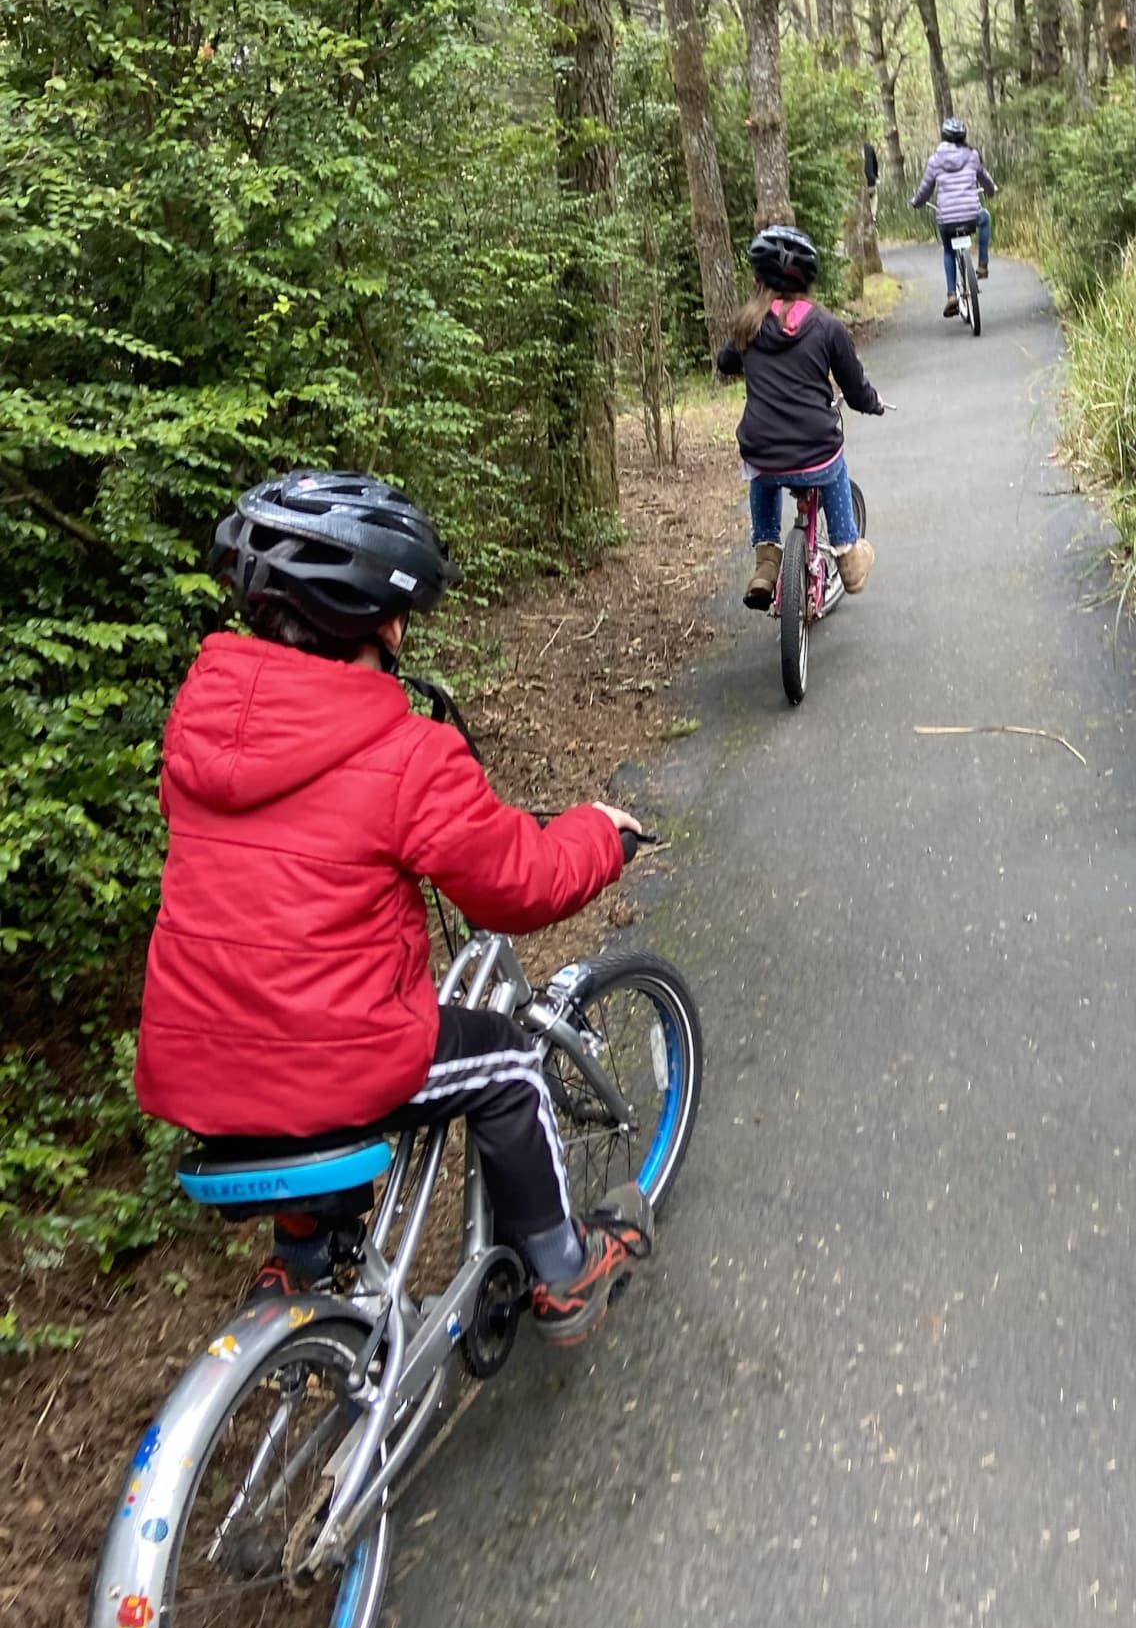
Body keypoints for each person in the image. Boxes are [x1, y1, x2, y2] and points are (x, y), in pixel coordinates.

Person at [134, 471, 649, 1348]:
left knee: (287, 1033)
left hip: (191, 1066)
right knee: (507, 1062)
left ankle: (301, 1252)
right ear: (387, 621)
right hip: (338, 1061)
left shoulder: (200, 727)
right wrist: (599, 831)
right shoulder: (405, 751)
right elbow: (518, 886)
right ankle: (567, 1273)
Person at [719, 225, 883, 611]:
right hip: (815, 455)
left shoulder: (748, 326)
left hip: (763, 451)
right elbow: (855, 388)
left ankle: (766, 561)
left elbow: (725, 363)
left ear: (759, 278)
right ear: (808, 280)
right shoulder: (827, 327)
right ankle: (847, 553)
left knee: (761, 470)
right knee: (833, 462)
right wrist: (872, 402)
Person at [911, 116, 996, 318]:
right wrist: (991, 191)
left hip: (947, 219)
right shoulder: (973, 155)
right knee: (985, 218)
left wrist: (916, 202)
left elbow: (925, 190)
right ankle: (983, 264)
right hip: (970, 214)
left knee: (949, 250)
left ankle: (951, 295)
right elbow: (985, 178)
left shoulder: (935, 160)